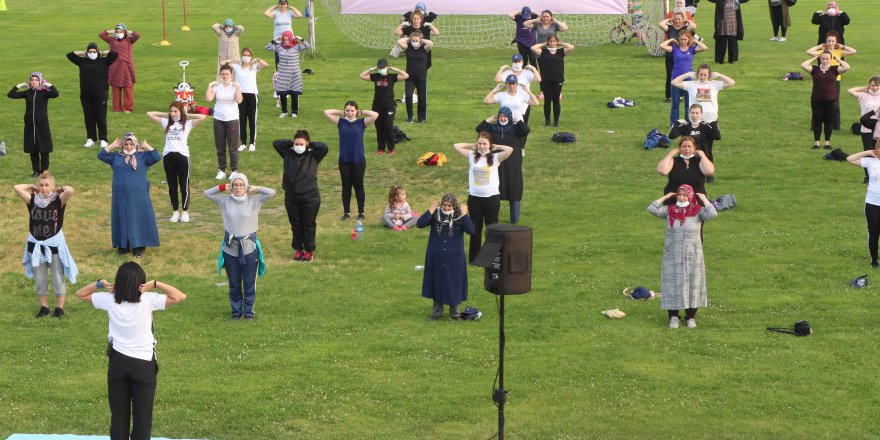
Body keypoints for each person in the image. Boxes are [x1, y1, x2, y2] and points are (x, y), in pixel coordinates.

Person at [75, 261, 186, 440]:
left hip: (117, 363)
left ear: (119, 281)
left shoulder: (109, 299)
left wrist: (100, 284)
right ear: (140, 282)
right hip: (143, 364)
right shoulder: (148, 299)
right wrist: (156, 283)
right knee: (143, 417)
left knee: (119, 416)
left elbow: (80, 294)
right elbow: (179, 296)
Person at [204, 173, 275, 319]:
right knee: (234, 283)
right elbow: (207, 193)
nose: (238, 188)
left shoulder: (255, 201)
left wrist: (256, 188)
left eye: (241, 185)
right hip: (231, 248)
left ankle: (248, 312)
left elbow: (272, 192)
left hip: (249, 248)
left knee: (249, 283)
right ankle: (236, 312)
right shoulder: (224, 201)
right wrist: (224, 186)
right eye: (235, 185)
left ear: (246, 186)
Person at [647, 185, 717, 329]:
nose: (681, 197)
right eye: (679, 195)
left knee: (693, 284)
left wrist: (703, 198)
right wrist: (666, 197)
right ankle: (673, 317)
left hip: (693, 256)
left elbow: (713, 214)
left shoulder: (698, 211)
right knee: (672, 284)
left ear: (690, 196)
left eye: (685, 195)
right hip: (672, 255)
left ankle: (691, 317)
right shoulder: (669, 211)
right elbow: (651, 209)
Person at [15, 173, 77, 319]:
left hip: (54, 245)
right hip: (35, 245)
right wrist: (31, 186)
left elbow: (70, 190)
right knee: (40, 278)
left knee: (57, 277)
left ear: (52, 186)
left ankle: (59, 308)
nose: (43, 188)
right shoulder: (32, 200)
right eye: (41, 185)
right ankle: (44, 308)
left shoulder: (58, 200)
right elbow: (17, 188)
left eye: (47, 185)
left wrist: (59, 189)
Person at [453, 132, 514, 262]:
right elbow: (456, 146)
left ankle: (491, 256)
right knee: (475, 228)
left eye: (484, 144)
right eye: (480, 143)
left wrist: (495, 146)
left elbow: (510, 149)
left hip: (491, 199)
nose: (482, 146)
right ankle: (474, 257)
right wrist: (473, 146)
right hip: (474, 198)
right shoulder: (472, 156)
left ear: (489, 145)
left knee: (492, 228)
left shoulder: (496, 157)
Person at [97, 135, 161, 258]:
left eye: (131, 144)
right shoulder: (116, 156)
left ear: (135, 145)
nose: (129, 146)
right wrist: (112, 146)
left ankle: (138, 246)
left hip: (138, 195)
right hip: (120, 194)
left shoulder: (143, 156)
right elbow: (101, 155)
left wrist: (147, 146)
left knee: (138, 218)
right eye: (126, 144)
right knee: (122, 217)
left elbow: (156, 157)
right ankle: (123, 245)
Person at [147, 102, 208, 223]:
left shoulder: (187, 123)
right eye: (171, 111)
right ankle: (175, 211)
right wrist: (166, 114)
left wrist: (186, 115)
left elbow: (203, 116)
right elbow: (150, 114)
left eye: (175, 111)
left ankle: (185, 211)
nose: (173, 113)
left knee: (184, 185)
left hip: (183, 156)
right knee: (172, 185)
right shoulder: (166, 122)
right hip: (168, 156)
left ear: (180, 111)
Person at [273, 130, 329, 262]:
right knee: (296, 224)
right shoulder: (288, 154)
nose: (298, 146)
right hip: (291, 197)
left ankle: (309, 250)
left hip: (310, 197)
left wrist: (310, 145)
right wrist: (291, 143)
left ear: (307, 144)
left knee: (308, 224)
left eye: (301, 144)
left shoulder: (314, 155)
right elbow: (276, 144)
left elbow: (324, 147)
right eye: (296, 143)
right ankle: (298, 250)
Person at [417, 193, 474, 320]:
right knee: (437, 281)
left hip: (455, 258)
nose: (446, 208)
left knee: (454, 283)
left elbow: (471, 230)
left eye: (449, 205)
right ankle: (436, 313)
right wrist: (431, 208)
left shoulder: (459, 218)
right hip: (435, 256)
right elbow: (420, 224)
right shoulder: (435, 216)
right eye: (444, 205)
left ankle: (455, 314)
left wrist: (465, 214)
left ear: (454, 206)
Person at [323, 102, 379, 221]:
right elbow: (326, 112)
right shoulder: (340, 122)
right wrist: (340, 112)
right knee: (346, 186)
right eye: (347, 111)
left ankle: (361, 212)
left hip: (358, 159)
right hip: (344, 160)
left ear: (356, 111)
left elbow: (375, 115)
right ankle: (346, 212)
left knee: (359, 186)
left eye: (352, 111)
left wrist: (362, 112)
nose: (349, 113)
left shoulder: (361, 123)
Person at [477, 107, 530, 224]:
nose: (503, 118)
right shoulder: (493, 128)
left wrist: (518, 120)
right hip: (496, 163)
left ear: (509, 117)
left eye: (505, 116)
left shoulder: (515, 129)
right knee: (496, 188)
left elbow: (526, 130)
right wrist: (488, 120)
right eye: (501, 116)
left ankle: (514, 219)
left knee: (514, 188)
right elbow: (479, 130)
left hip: (513, 163)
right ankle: (493, 217)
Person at [8, 73, 59, 178]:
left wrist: (48, 84)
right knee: (33, 148)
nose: (34, 82)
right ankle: (36, 171)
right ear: (29, 82)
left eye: (36, 80)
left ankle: (44, 171)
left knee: (44, 148)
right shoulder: (27, 93)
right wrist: (19, 85)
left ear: (40, 81)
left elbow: (55, 94)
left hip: (42, 124)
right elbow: (11, 95)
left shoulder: (45, 93)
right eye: (32, 80)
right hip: (30, 124)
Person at [67, 43, 118, 148]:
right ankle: (90, 138)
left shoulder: (104, 61)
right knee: (89, 117)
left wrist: (102, 53)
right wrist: (83, 53)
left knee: (101, 117)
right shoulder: (82, 61)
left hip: (101, 94)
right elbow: (70, 55)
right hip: (86, 95)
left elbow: (114, 54)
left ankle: (103, 139)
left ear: (97, 52)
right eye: (90, 52)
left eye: (94, 51)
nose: (92, 53)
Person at [807, 32, 856, 131]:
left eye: (833, 41)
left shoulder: (839, 51)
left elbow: (853, 51)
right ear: (826, 41)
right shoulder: (823, 52)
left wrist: (842, 46)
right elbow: (809, 52)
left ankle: (836, 125)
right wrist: (820, 46)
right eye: (829, 41)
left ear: (836, 42)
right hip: (821, 79)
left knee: (835, 103)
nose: (831, 43)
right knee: (817, 102)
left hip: (835, 80)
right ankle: (815, 125)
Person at [801, 51, 849, 150]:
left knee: (828, 121)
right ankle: (817, 143)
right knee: (817, 121)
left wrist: (838, 59)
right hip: (816, 99)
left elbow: (847, 67)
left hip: (830, 100)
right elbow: (803, 65)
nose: (825, 60)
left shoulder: (834, 69)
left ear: (830, 59)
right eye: (823, 58)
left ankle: (827, 143)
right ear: (820, 59)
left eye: (827, 58)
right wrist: (814, 58)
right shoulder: (815, 69)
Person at [360, 58, 408, 154]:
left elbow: (406, 76)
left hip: (389, 105)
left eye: (383, 67)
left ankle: (391, 149)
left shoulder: (392, 77)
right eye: (379, 67)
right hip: (377, 105)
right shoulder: (375, 76)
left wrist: (396, 70)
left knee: (388, 127)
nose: (381, 69)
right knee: (379, 127)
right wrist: (371, 69)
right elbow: (361, 76)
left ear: (387, 67)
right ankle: (380, 148)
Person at [224, 48, 269, 152]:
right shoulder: (237, 66)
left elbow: (266, 65)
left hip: (252, 95)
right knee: (241, 120)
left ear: (251, 57)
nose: (246, 57)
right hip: (240, 95)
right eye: (244, 55)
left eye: (248, 55)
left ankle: (252, 143)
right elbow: (224, 64)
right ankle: (243, 142)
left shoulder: (254, 67)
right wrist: (234, 60)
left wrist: (257, 59)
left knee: (252, 120)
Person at [660, 31, 707, 127]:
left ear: (688, 39)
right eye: (681, 39)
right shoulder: (674, 49)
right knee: (675, 104)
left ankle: (688, 123)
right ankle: (674, 124)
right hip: (676, 79)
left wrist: (695, 41)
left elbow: (704, 47)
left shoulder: (692, 49)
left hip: (689, 80)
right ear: (678, 39)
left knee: (688, 104)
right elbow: (662, 46)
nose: (683, 41)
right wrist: (672, 39)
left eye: (685, 39)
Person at [206, 64, 244, 180]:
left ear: (231, 75)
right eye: (223, 74)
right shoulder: (217, 86)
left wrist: (237, 88)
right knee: (220, 146)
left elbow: (239, 100)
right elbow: (208, 99)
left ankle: (234, 170)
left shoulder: (235, 86)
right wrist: (209, 85)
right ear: (220, 75)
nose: (225, 76)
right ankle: (221, 170)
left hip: (232, 118)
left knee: (232, 146)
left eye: (227, 74)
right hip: (218, 118)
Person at [669, 105, 721, 182]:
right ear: (689, 113)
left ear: (701, 114)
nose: (695, 115)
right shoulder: (685, 126)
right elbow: (672, 136)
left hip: (703, 155)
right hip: (687, 154)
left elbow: (717, 137)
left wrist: (713, 123)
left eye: (697, 113)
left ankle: (709, 176)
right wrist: (677, 123)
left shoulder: (705, 126)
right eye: (692, 113)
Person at [847, 146, 880, 267]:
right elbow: (849, 159)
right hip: (872, 203)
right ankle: (874, 261)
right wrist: (867, 152)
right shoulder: (870, 162)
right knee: (873, 232)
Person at [531, 34, 574, 126]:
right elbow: (533, 48)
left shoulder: (561, 51)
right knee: (547, 101)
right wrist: (544, 44)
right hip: (545, 80)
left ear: (556, 42)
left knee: (556, 101)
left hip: (557, 80)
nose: (552, 43)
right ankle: (547, 121)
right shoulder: (543, 51)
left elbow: (571, 47)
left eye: (554, 41)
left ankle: (555, 121)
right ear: (548, 42)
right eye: (550, 41)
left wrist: (560, 43)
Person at [265, 30, 310, 119]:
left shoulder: (297, 47)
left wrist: (301, 39)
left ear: (291, 39)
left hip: (295, 75)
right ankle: (284, 111)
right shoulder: (279, 47)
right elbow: (267, 47)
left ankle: (294, 112)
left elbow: (308, 46)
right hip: (283, 75)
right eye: (284, 40)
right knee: (282, 93)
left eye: (287, 40)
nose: (286, 42)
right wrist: (274, 40)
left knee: (294, 94)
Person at [671, 63, 735, 124]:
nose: (703, 77)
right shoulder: (691, 84)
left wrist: (719, 75)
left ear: (709, 75)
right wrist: (688, 74)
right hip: (695, 116)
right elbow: (674, 82)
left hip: (711, 116)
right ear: (697, 74)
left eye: (705, 75)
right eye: (701, 74)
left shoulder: (714, 84)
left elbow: (731, 83)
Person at [99, 23, 139, 112]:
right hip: (115, 68)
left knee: (128, 88)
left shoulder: (129, 40)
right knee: (116, 89)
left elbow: (137, 35)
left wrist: (128, 32)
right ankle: (117, 108)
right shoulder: (112, 40)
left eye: (121, 31)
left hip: (127, 68)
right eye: (117, 31)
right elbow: (101, 35)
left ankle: (128, 108)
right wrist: (111, 31)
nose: (119, 33)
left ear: (124, 31)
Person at [396, 31, 433, 123]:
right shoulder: (408, 48)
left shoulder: (424, 48)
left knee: (422, 97)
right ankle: (410, 116)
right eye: (413, 41)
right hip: (409, 77)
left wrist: (420, 39)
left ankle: (421, 118)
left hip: (421, 76)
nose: (415, 42)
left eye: (416, 41)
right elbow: (399, 42)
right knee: (408, 95)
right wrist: (409, 38)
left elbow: (431, 43)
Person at [495, 53, 541, 125]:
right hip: (511, 99)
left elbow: (538, 79)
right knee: (509, 121)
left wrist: (533, 69)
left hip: (525, 100)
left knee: (524, 123)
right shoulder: (507, 73)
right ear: (512, 62)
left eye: (519, 61)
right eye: (515, 61)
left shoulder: (527, 73)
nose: (517, 63)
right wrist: (501, 69)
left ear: (522, 62)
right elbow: (497, 80)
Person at [659, 12, 695, 102]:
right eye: (676, 19)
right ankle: (669, 96)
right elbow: (660, 24)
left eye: (679, 19)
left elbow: (693, 26)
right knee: (670, 75)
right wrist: (669, 20)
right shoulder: (669, 28)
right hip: (671, 54)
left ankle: (680, 95)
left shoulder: (685, 29)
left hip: (682, 56)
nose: (677, 21)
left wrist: (686, 20)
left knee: (682, 75)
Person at [849, 77, 880, 182]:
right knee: (868, 151)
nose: (875, 87)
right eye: (873, 85)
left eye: (877, 85)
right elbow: (850, 91)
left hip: (878, 128)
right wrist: (864, 88)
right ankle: (868, 177)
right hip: (866, 128)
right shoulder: (864, 96)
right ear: (869, 86)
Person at [707, 0, 748, 64]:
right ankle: (719, 60)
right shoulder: (720, 1)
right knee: (721, 42)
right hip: (722, 25)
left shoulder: (736, 1)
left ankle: (733, 60)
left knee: (733, 43)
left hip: (733, 24)